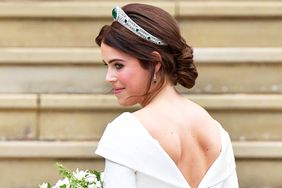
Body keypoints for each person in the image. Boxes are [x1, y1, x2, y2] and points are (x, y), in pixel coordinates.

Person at [95, 3, 238, 188]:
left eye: (118, 65)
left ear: (155, 63)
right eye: (107, 66)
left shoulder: (126, 130)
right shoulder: (217, 132)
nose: (109, 78)